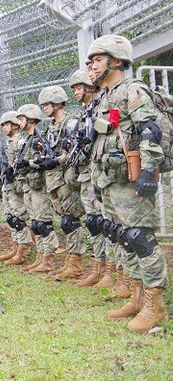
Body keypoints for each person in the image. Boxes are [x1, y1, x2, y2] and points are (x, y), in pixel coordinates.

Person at [87, 34, 168, 333]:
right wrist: (98, 180)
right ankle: (136, 297)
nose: (91, 67)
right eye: (91, 62)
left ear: (116, 60)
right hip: (111, 180)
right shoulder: (105, 96)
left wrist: (149, 171)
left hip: (132, 179)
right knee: (123, 236)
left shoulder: (132, 90)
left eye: (97, 60)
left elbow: (150, 130)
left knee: (141, 238)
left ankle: (155, 305)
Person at [67, 69, 112, 289]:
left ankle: (112, 272)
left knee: (106, 223)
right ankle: (99, 268)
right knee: (93, 222)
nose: (76, 92)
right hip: (89, 174)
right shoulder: (87, 112)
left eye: (78, 87)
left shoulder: (103, 106)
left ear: (89, 86)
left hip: (103, 173)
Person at [36, 86, 86, 280]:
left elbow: (76, 151)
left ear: (57, 103)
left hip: (66, 176)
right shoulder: (52, 126)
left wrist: (57, 160)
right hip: (54, 178)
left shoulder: (69, 123)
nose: (44, 108)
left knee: (71, 220)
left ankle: (76, 264)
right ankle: (70, 261)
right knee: (65, 221)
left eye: (47, 104)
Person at [13, 104, 60, 274]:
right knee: (35, 224)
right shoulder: (27, 140)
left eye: (21, 118)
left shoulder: (40, 138)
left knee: (43, 223)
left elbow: (44, 160)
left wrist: (28, 163)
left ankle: (48, 258)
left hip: (39, 185)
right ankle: (41, 257)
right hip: (29, 185)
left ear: (31, 119)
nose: (19, 122)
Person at [0, 111, 33, 266]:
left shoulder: (20, 141)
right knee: (10, 217)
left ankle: (23, 250)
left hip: (17, 183)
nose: (4, 128)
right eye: (3, 125)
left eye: (6, 125)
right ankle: (16, 246)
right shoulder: (8, 142)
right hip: (7, 183)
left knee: (18, 217)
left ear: (15, 126)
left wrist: (13, 169)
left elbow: (23, 161)